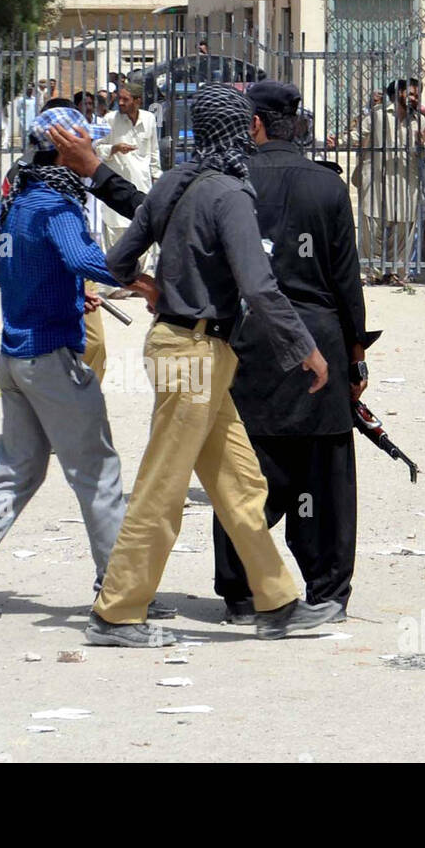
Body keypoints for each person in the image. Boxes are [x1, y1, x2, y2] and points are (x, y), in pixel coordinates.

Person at [86, 83, 339, 647]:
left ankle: (275, 604)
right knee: (163, 486)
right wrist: (307, 350)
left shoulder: (174, 183)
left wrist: (156, 288)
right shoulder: (229, 194)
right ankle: (117, 613)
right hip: (196, 355)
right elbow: (260, 286)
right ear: (245, 129)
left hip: (188, 349)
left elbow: (116, 261)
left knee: (241, 484)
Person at [0, 107, 171, 619]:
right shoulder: (57, 206)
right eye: (86, 143)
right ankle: (120, 588)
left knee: (17, 471)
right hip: (53, 357)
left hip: (14, 358)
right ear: (62, 149)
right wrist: (144, 282)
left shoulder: (17, 204)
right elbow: (84, 260)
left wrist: (56, 289)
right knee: (98, 471)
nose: (95, 153)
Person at [210, 81, 373, 624]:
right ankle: (326, 592)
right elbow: (347, 280)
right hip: (319, 343)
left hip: (249, 343)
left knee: (246, 470)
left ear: (253, 125)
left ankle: (241, 591)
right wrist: (356, 357)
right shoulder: (326, 187)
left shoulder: (228, 182)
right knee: (323, 480)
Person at [337, 79, 424, 285]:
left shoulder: (419, 121)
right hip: (378, 180)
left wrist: (423, 144)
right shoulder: (378, 115)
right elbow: (358, 134)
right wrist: (337, 141)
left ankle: (397, 273)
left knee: (403, 228)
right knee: (372, 228)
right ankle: (371, 272)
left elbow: (423, 154)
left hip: (407, 182)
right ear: (400, 94)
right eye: (411, 94)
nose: (415, 98)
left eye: (416, 95)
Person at [72, 90, 111, 379]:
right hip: (73, 278)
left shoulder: (76, 181)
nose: (92, 148)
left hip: (81, 277)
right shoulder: (52, 197)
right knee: (90, 342)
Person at [98, 82, 162, 254]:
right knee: (117, 239)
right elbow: (96, 148)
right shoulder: (110, 119)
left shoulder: (148, 119)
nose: (120, 103)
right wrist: (114, 148)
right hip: (116, 188)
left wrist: (157, 178)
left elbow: (153, 151)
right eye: (119, 99)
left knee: (143, 240)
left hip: (142, 186)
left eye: (125, 99)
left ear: (138, 101)